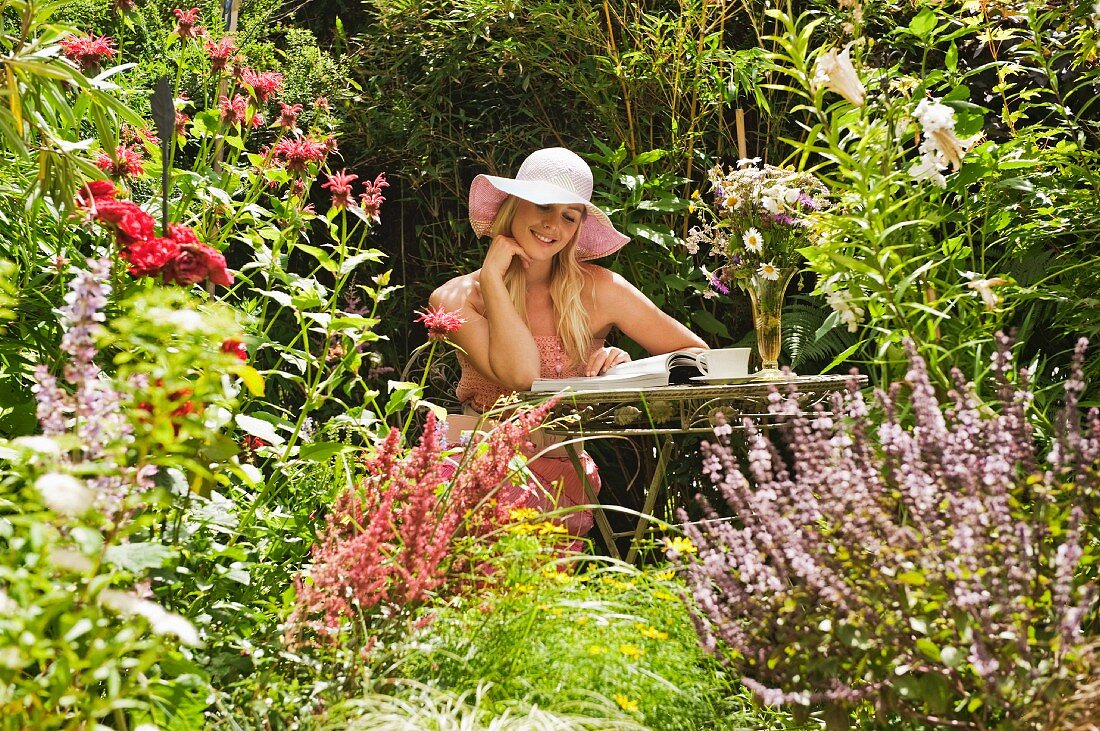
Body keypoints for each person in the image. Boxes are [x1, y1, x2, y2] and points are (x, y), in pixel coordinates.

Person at [430, 147, 707, 539]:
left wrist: (623, 366)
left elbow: (699, 355)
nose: (552, 225)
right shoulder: (457, 298)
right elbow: (522, 376)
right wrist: (493, 279)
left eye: (568, 215)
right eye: (543, 206)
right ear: (514, 205)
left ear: (577, 227)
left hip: (562, 472)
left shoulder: (600, 289)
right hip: (473, 463)